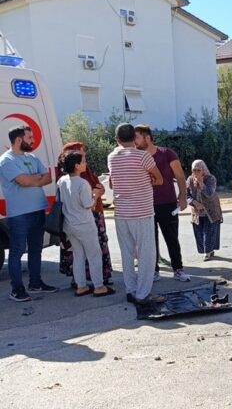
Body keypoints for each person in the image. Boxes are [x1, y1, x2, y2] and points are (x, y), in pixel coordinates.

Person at [0, 125, 58, 301]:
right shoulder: (6, 161)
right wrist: (34, 180)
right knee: (17, 251)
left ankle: (35, 283)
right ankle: (17, 289)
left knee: (36, 249)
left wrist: (31, 180)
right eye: (30, 137)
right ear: (19, 140)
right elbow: (23, 181)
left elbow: (48, 177)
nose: (33, 140)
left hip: (37, 210)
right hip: (19, 214)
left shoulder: (32, 157)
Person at [108, 123, 163, 304]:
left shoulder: (112, 157)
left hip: (121, 212)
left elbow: (112, 183)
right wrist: (146, 181)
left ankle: (131, 290)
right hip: (142, 211)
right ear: (135, 138)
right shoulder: (143, 156)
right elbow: (159, 179)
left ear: (117, 140)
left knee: (127, 253)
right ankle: (143, 293)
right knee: (147, 254)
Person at [133, 125, 190, 282]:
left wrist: (183, 197)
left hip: (167, 203)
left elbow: (179, 176)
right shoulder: (136, 156)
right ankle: (154, 270)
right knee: (149, 241)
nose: (134, 141)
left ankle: (178, 269)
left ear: (147, 138)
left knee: (172, 238)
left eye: (137, 137)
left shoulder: (167, 154)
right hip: (146, 205)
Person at [57, 150, 115, 297]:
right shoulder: (83, 183)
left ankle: (81, 285)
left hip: (69, 225)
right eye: (83, 161)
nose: (85, 163)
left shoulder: (62, 181)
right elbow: (88, 204)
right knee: (94, 255)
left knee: (78, 255)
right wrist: (96, 195)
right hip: (84, 224)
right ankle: (99, 286)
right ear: (76, 165)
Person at [186, 160, 222, 260]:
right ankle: (207, 250)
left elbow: (210, 193)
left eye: (198, 170)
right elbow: (186, 195)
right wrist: (194, 203)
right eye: (194, 170)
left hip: (211, 210)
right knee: (199, 233)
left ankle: (207, 252)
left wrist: (201, 183)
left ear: (203, 170)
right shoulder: (189, 179)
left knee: (209, 232)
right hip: (197, 211)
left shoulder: (211, 179)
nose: (196, 172)